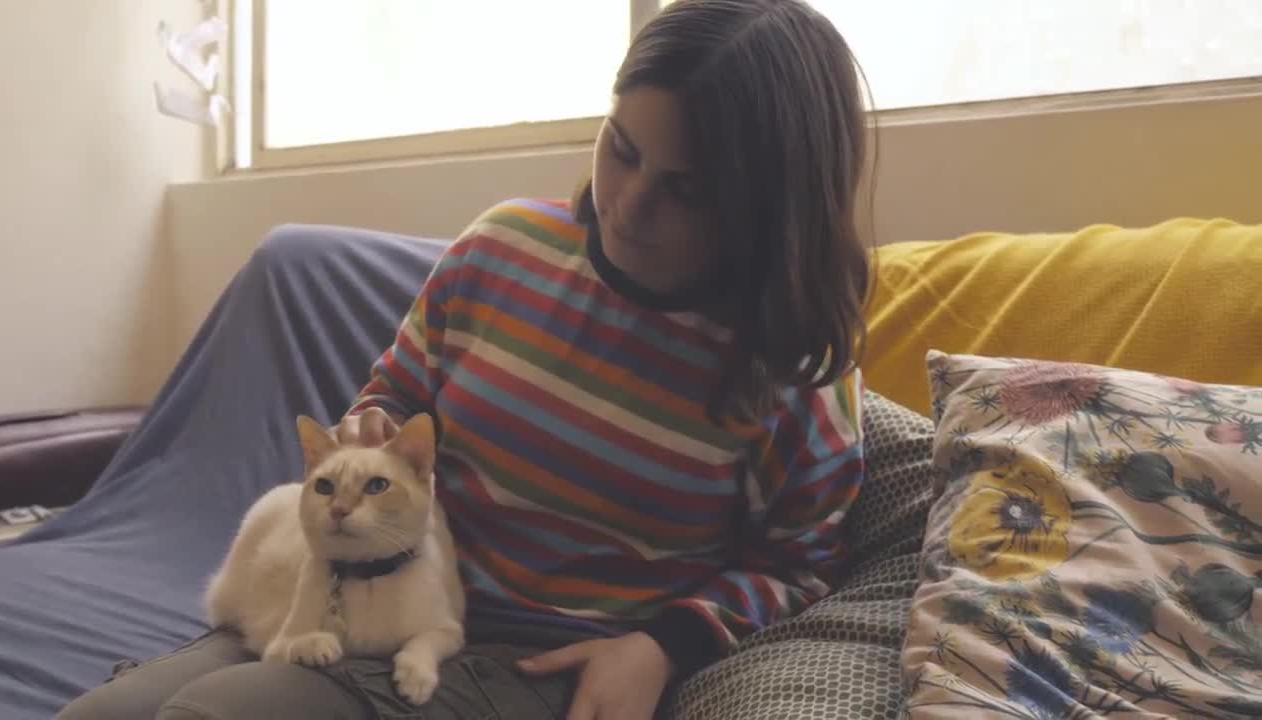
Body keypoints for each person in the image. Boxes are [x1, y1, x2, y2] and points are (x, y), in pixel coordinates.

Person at [56, 0, 872, 717]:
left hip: (530, 665)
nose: (629, 203)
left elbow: (796, 570)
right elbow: (395, 393)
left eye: (686, 190)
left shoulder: (792, 376)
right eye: (620, 147)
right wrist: (366, 429)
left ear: (772, 204)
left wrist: (661, 648)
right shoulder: (500, 249)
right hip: (370, 589)